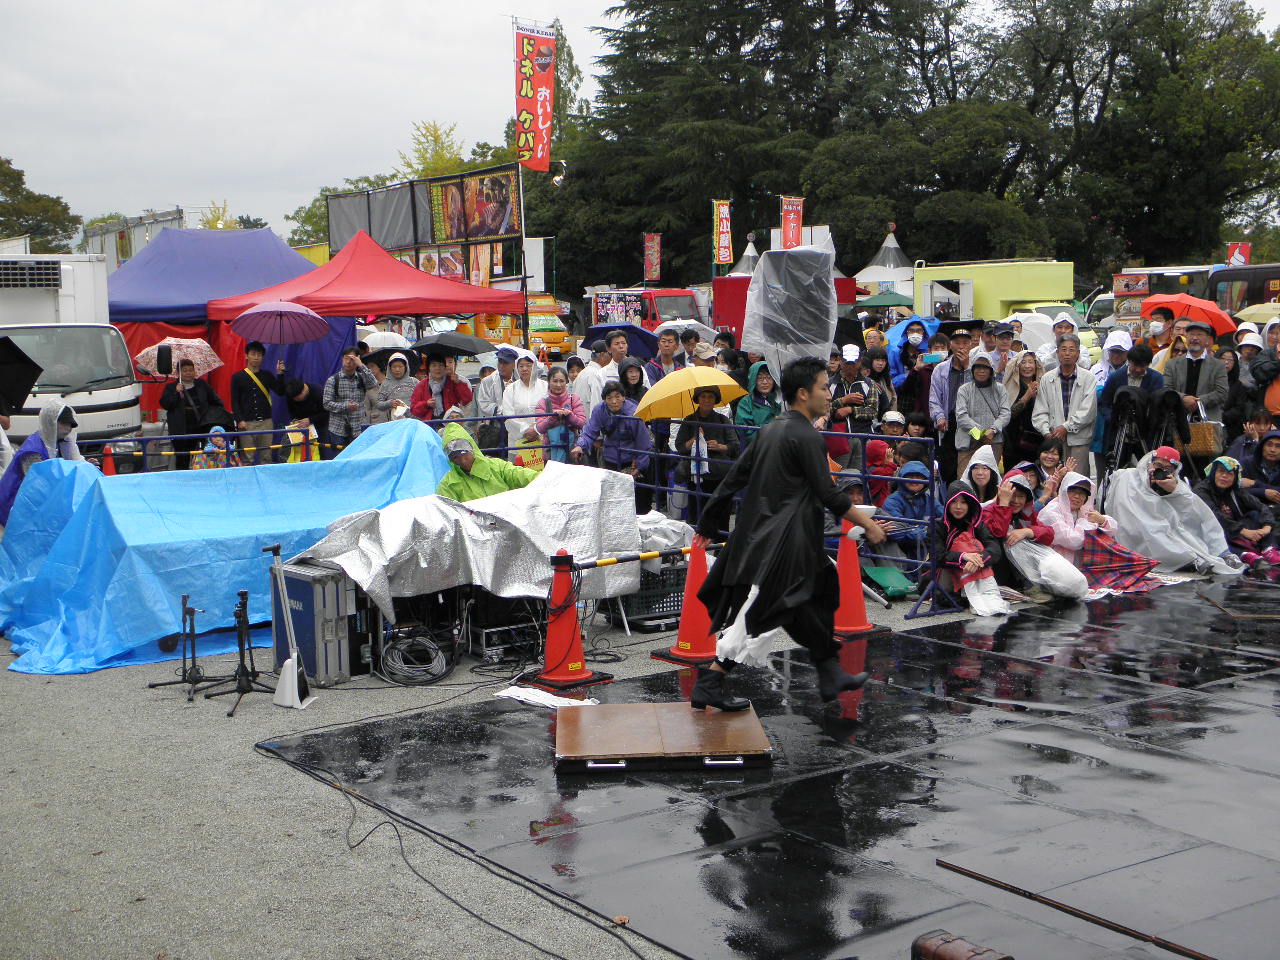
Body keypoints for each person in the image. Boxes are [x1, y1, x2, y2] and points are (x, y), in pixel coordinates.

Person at [689, 356, 887, 711]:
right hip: (785, 543)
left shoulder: (771, 429)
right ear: (803, 393)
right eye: (824, 388)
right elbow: (829, 494)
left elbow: (734, 478)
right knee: (773, 610)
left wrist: (708, 521)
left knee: (807, 603)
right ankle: (713, 680)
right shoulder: (806, 435)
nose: (830, 394)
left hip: (772, 539)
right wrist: (869, 524)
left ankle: (829, 672)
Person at [1107, 446, 1245, 575]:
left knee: (1199, 518)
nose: (1160, 471)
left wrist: (1174, 492)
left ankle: (1220, 553)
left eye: (1167, 468)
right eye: (1158, 465)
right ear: (1150, 463)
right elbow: (1126, 506)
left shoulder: (1177, 485)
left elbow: (1195, 512)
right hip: (1140, 525)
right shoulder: (1129, 477)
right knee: (1154, 528)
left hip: (1170, 527)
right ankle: (1190, 559)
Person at [1040, 472, 1157, 590]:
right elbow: (1073, 541)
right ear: (1064, 491)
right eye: (1073, 491)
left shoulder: (1082, 510)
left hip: (1077, 567)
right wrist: (1086, 522)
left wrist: (1101, 520)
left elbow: (1112, 528)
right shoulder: (1051, 511)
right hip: (1055, 567)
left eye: (1082, 493)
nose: (1077, 496)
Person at [982, 471, 1087, 602]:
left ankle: (1033, 586)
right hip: (997, 569)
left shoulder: (1026, 514)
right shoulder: (988, 511)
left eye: (1021, 496)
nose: (1016, 501)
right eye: (1012, 495)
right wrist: (1003, 504)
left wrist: (1028, 531)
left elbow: (1049, 534)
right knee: (1010, 540)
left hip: (1022, 572)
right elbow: (999, 532)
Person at [571, 382, 654, 514]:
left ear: (623, 397)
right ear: (604, 400)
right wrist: (580, 446)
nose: (614, 401)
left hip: (632, 461)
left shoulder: (634, 413)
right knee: (614, 502)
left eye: (617, 397)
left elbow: (643, 444)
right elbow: (590, 431)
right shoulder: (600, 410)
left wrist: (639, 467)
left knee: (639, 504)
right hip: (611, 459)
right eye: (609, 398)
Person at [0, 405, 83, 526]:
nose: (69, 428)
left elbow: (70, 465)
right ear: (51, 422)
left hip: (34, 506)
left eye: (71, 424)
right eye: (64, 423)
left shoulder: (59, 443)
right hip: (14, 507)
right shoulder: (33, 450)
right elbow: (38, 485)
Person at [1195, 455, 1280, 570]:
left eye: (1230, 473)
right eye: (1221, 471)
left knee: (1255, 514)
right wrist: (1244, 531)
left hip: (1237, 530)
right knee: (1217, 528)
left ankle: (1268, 549)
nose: (1225, 476)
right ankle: (1243, 555)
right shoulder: (1201, 491)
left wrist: (1267, 527)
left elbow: (1261, 507)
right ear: (1213, 472)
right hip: (1216, 531)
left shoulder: (1235, 490)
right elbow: (1214, 515)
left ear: (1235, 477)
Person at [935, 483, 1008, 615]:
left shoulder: (976, 524)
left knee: (983, 553)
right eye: (954, 502)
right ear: (947, 504)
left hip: (976, 568)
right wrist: (963, 556)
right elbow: (938, 556)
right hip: (946, 572)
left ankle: (985, 598)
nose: (958, 507)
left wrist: (978, 559)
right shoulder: (938, 526)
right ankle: (969, 597)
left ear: (970, 504)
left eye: (963, 502)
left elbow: (994, 548)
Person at [1032, 334, 1097, 478]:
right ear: (1057, 353)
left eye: (1071, 349)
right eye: (1063, 349)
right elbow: (1040, 410)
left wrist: (1066, 427)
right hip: (1054, 439)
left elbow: (1088, 411)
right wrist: (1046, 432)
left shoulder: (1088, 378)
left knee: (1077, 480)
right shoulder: (1047, 378)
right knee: (1054, 479)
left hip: (1079, 439)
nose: (1067, 353)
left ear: (1078, 353)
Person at [675, 386, 740, 522]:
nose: (706, 400)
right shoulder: (689, 420)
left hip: (719, 476)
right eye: (703, 396)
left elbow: (735, 446)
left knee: (720, 518)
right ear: (697, 399)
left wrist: (720, 447)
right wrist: (694, 440)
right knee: (697, 517)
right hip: (696, 476)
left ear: (715, 399)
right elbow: (680, 447)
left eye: (710, 397)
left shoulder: (723, 420)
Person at [435, 422, 539, 503]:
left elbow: (521, 475)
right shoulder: (448, 485)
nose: (462, 460)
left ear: (473, 449)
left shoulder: (497, 467)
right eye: (455, 457)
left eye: (464, 453)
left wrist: (545, 478)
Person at [161, 359, 228, 470]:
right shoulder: (171, 387)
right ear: (178, 373)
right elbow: (166, 404)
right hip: (180, 429)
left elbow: (217, 401)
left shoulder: (202, 384)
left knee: (203, 455)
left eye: (191, 370)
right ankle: (183, 477)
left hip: (201, 426)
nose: (188, 373)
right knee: (182, 458)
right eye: (185, 370)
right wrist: (176, 392)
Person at [928, 326, 974, 483]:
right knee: (948, 467)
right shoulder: (940, 369)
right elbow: (934, 398)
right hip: (949, 422)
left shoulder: (977, 367)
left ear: (971, 345)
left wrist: (967, 367)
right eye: (957, 343)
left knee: (970, 462)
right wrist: (939, 417)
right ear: (950, 346)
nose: (961, 347)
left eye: (965, 343)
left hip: (971, 424)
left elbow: (980, 391)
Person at [1164, 320, 1228, 424]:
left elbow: (1222, 393)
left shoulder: (1218, 365)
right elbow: (1166, 388)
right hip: (1177, 419)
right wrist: (1183, 398)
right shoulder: (1172, 364)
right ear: (1186, 337)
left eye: (1199, 334)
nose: (1194, 338)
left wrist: (1198, 402)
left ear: (1207, 339)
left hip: (1208, 420)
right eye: (1191, 334)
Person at [954, 354, 1009, 474]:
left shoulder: (1000, 389)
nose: (981, 371)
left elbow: (1005, 414)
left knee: (990, 478)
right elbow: (961, 416)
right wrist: (980, 433)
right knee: (964, 478)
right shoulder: (964, 389)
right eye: (978, 367)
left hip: (993, 441)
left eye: (985, 368)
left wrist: (993, 430)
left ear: (991, 370)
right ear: (972, 370)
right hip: (968, 442)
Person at [230, 341, 281, 465]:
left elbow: (280, 391)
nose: (256, 357)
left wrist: (280, 374)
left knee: (266, 457)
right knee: (247, 458)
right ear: (246, 356)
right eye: (253, 354)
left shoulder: (267, 375)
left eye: (259, 354)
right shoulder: (237, 377)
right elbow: (235, 401)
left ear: (262, 357)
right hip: (246, 423)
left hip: (266, 422)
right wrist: (239, 419)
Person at [321, 347, 377, 455]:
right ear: (342, 359)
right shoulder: (333, 380)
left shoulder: (361, 377)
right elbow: (326, 404)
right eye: (346, 358)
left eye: (352, 359)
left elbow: (373, 383)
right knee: (340, 458)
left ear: (357, 359)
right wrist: (346, 406)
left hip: (357, 427)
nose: (348, 362)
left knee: (357, 457)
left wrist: (361, 365)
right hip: (338, 428)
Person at [881, 460, 941, 559]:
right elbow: (897, 531)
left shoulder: (929, 499)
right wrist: (928, 534)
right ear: (903, 478)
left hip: (927, 552)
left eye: (918, 476)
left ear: (925, 479)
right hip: (902, 554)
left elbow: (944, 517)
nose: (914, 480)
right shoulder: (893, 501)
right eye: (910, 476)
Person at [500, 355, 549, 460]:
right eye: (521, 366)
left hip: (542, 439)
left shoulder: (545, 387)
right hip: (518, 441)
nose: (524, 369)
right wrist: (526, 430)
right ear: (517, 368)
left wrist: (536, 430)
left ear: (534, 367)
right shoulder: (510, 389)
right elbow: (508, 415)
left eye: (528, 365)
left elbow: (550, 412)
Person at [534, 367, 586, 462]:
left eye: (562, 381)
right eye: (555, 381)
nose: (558, 385)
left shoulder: (574, 399)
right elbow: (540, 428)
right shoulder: (542, 403)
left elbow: (582, 423)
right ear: (548, 382)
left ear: (566, 382)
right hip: (550, 452)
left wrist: (570, 416)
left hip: (572, 451)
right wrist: (552, 418)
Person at [1003, 350, 1044, 467]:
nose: (1027, 366)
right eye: (1023, 362)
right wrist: (1026, 396)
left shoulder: (1042, 385)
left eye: (1030, 362)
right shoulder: (1010, 386)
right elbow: (1008, 415)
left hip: (1036, 440)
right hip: (1013, 442)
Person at [734, 360, 781, 442]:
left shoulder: (778, 401)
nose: (765, 382)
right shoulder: (746, 403)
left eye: (769, 377)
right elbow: (745, 433)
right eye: (760, 378)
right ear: (753, 380)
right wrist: (772, 425)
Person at [1219, 348, 1257, 442]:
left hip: (1230, 427)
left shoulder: (1238, 385)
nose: (1226, 362)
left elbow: (1239, 407)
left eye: (1230, 360)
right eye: (1223, 358)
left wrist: (1223, 416)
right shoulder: (1208, 380)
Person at [376, 351, 421, 423]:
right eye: (394, 367)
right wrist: (390, 403)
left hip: (415, 421)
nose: (397, 369)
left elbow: (422, 399)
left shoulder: (414, 382)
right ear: (390, 368)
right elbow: (378, 404)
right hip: (395, 422)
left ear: (406, 367)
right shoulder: (385, 384)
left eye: (400, 366)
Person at [1240, 428, 1280, 506]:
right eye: (1269, 445)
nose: (1272, 450)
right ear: (1262, 447)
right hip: (1251, 508)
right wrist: (1263, 492)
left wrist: (1255, 483)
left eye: (1278, 446)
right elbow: (1236, 490)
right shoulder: (1246, 463)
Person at [571, 340, 609, 416]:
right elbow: (597, 404)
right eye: (610, 354)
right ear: (602, 355)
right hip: (591, 421)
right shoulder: (596, 374)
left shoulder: (583, 373)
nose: (611, 358)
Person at [863, 438, 896, 506]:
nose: (889, 456)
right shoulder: (876, 471)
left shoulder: (869, 467)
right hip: (879, 504)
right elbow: (889, 473)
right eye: (886, 455)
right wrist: (890, 462)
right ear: (879, 457)